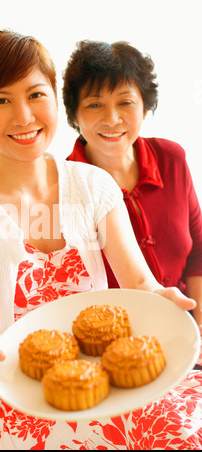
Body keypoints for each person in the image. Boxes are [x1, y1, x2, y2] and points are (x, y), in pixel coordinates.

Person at [0, 30, 201, 450]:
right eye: (1, 100)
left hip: (99, 376)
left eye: (35, 94)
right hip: (13, 394)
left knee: (186, 432)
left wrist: (165, 299)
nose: (23, 116)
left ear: (55, 100)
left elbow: (139, 284)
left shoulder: (92, 185)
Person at [63, 39, 202, 334]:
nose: (112, 119)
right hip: (112, 338)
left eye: (125, 102)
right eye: (94, 104)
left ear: (145, 106)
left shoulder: (171, 159)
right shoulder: (61, 188)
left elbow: (198, 254)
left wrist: (200, 327)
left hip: (186, 324)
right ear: (74, 115)